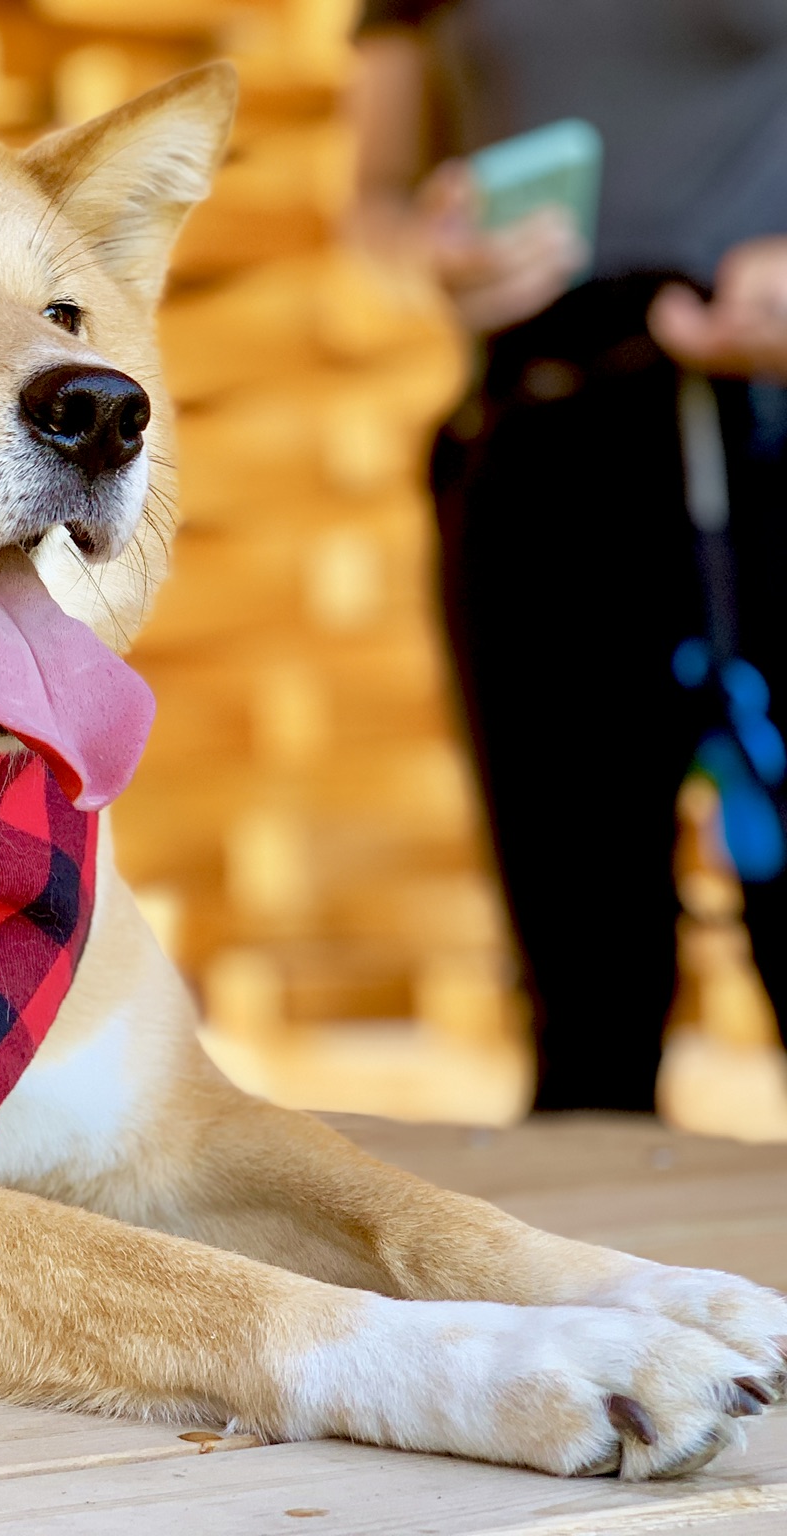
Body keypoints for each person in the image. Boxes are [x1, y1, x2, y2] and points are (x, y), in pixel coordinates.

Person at [352, 1, 787, 1112]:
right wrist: (434, 258)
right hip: (537, 445)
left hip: (767, 435)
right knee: (582, 999)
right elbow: (375, 204)